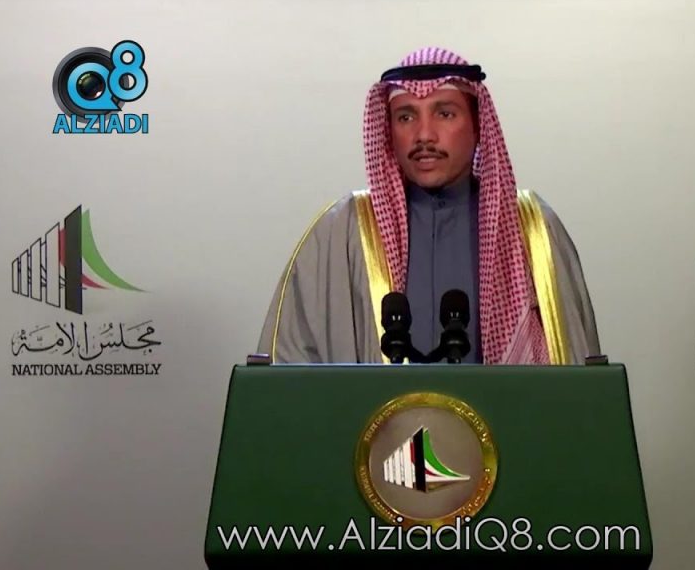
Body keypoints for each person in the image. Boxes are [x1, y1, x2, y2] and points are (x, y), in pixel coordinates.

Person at [256, 47, 601, 365]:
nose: (424, 135)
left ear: (478, 126)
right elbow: (290, 367)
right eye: (406, 117)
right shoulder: (341, 232)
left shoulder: (532, 230)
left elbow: (575, 366)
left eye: (445, 114)